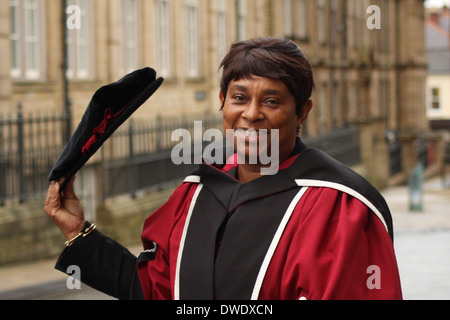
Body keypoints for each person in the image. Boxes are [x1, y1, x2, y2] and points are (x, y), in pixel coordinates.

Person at [44, 37, 402, 300]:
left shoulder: (340, 207)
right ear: (223, 102)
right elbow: (155, 291)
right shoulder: (197, 192)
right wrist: (80, 233)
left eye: (272, 101)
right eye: (240, 98)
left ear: (302, 112)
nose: (251, 114)